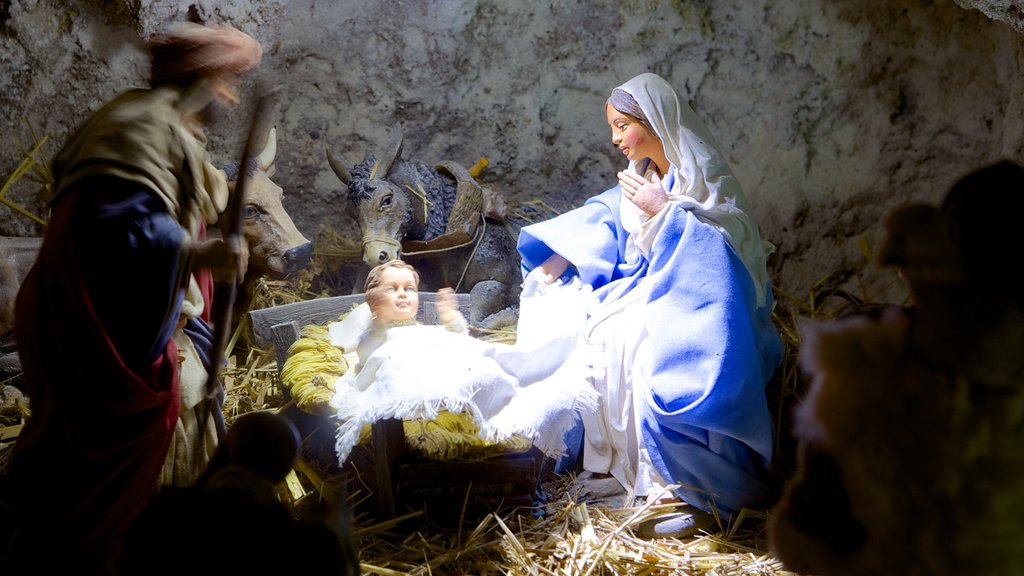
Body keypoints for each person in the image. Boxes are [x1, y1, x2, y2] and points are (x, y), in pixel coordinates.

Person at [0, 22, 262, 575]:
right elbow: (115, 224)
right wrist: (194, 255)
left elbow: (195, 204)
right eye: (227, 81)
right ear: (199, 78)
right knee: (96, 459)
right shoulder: (136, 127)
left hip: (141, 322)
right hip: (99, 331)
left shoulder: (171, 131)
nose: (232, 97)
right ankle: (89, 556)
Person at [517, 73, 783, 531]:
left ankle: (677, 485)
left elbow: (725, 248)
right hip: (651, 286)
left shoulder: (707, 178)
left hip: (706, 306)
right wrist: (559, 256)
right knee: (600, 332)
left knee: (642, 347)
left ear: (655, 121)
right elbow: (606, 213)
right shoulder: (645, 173)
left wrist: (666, 212)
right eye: (613, 127)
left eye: (623, 126)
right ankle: (622, 470)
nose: (615, 138)